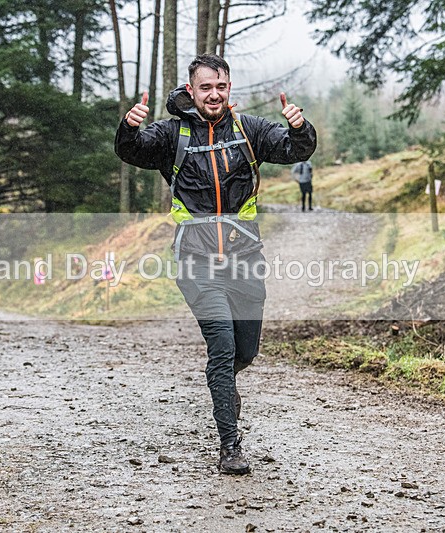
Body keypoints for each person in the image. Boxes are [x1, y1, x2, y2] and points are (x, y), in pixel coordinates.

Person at [115, 54, 316, 475]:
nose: (214, 94)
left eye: (221, 86)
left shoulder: (249, 130)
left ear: (229, 89)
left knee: (246, 350)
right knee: (222, 346)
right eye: (205, 87)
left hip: (245, 262)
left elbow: (295, 149)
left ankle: (226, 386)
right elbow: (132, 150)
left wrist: (300, 127)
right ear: (191, 90)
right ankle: (230, 444)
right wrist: (129, 126)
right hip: (196, 262)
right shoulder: (174, 134)